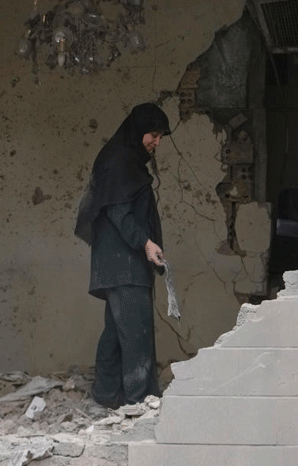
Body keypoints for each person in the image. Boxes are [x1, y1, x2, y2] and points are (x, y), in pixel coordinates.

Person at [74, 102, 171, 408]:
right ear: (137, 130)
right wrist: (145, 243)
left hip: (120, 262)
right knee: (136, 333)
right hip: (124, 261)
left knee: (117, 332)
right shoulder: (119, 161)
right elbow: (118, 211)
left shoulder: (124, 160)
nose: (156, 142)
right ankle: (140, 402)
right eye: (152, 134)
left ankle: (106, 395)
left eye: (160, 136)